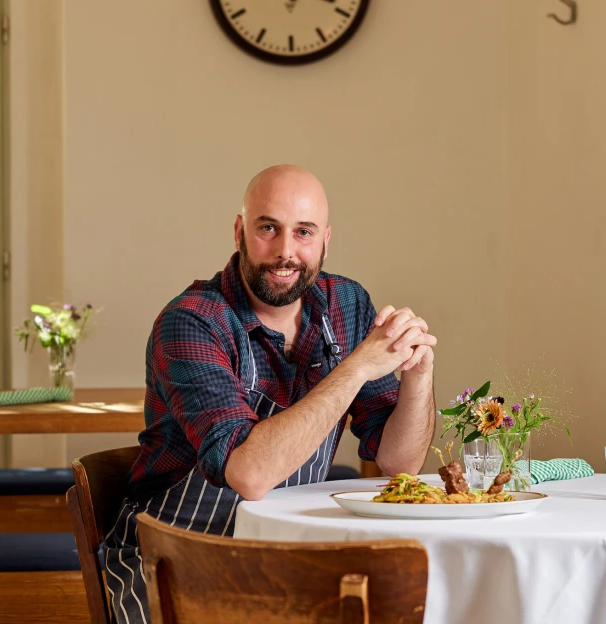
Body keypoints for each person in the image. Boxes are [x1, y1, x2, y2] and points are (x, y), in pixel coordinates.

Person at [100, 165, 437, 623]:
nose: (285, 252)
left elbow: (401, 463)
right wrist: (358, 366)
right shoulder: (193, 321)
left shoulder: (347, 304)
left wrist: (417, 376)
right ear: (239, 230)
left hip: (290, 561)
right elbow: (249, 474)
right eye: (267, 228)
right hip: (177, 563)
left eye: (303, 232)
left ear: (325, 240)